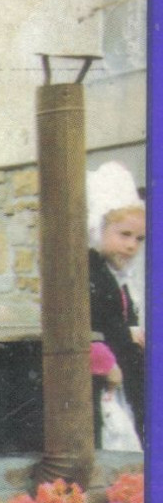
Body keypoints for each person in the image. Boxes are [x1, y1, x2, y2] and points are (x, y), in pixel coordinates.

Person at [87, 161, 146, 443]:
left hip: (124, 378)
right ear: (99, 229)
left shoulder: (118, 277)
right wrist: (106, 361)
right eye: (124, 235)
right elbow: (88, 324)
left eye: (139, 238)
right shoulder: (91, 272)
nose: (132, 245)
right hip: (104, 380)